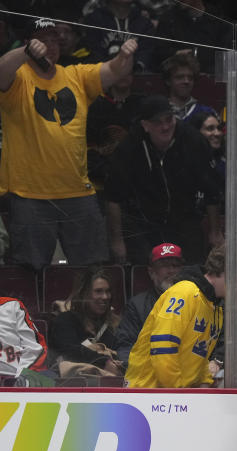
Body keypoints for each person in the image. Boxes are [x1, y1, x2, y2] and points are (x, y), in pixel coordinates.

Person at [0, 19, 137, 271]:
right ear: (29, 40)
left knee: (92, 270)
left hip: (77, 191)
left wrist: (124, 55)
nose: (49, 45)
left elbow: (114, 71)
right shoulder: (18, 78)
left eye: (54, 39)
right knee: (31, 271)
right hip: (30, 194)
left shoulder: (75, 75)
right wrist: (26, 51)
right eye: (42, 39)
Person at [104, 94, 222, 265]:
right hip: (143, 222)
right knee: (146, 269)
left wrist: (215, 231)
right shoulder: (129, 147)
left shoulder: (193, 140)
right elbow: (113, 197)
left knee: (192, 268)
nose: (166, 126)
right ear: (145, 125)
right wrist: (117, 241)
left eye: (169, 119)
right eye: (158, 122)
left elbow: (212, 190)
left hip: (185, 217)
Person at [125, 245, 237, 388]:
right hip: (145, 392)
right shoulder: (184, 292)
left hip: (175, 395)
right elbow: (163, 347)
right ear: (228, 273)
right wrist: (179, 391)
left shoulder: (215, 307)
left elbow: (199, 357)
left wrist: (204, 383)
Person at [48, 267, 123, 377]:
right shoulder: (65, 321)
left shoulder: (114, 324)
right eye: (98, 291)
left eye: (108, 291)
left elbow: (124, 351)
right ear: (83, 294)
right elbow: (71, 351)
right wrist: (104, 362)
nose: (105, 297)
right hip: (72, 384)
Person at [116, 243, 185, 361]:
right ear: (151, 272)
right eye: (164, 266)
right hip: (149, 372)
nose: (171, 271)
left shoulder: (196, 300)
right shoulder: (137, 305)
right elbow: (125, 347)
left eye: (175, 265)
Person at [83, 0, 154, 70]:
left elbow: (145, 55)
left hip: (134, 76)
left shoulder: (145, 23)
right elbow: (92, 53)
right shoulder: (94, 20)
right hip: (101, 75)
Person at [161, 52, 216, 124]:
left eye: (190, 78)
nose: (186, 81)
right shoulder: (158, 112)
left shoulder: (208, 112)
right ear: (168, 81)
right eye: (179, 77)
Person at [0, 296, 48, 379]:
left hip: (15, 376)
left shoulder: (10, 305)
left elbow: (35, 348)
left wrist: (21, 377)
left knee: (48, 382)